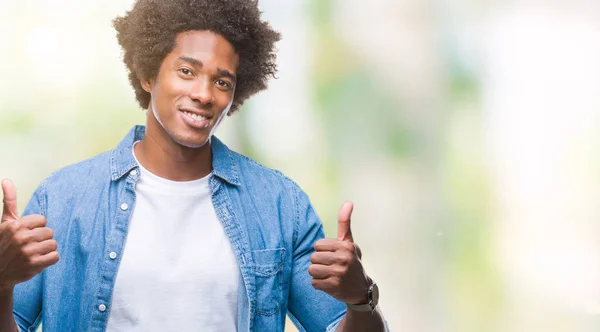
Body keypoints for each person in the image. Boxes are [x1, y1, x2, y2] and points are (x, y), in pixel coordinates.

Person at [0, 0, 388, 331]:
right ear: (149, 73)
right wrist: (2, 281)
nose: (203, 94)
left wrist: (359, 297)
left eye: (222, 82)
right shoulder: (65, 199)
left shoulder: (279, 205)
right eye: (187, 71)